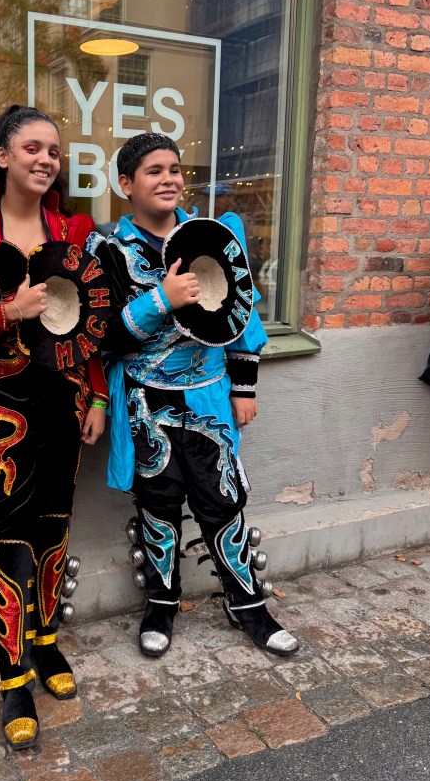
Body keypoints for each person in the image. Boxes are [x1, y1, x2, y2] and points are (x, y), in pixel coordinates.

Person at [92, 132, 298, 660]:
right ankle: (161, 604)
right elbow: (101, 336)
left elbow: (241, 315)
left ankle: (247, 604)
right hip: (144, 401)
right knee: (157, 503)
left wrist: (244, 385)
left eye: (175, 169)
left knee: (222, 499)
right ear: (125, 184)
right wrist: (161, 299)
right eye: (154, 171)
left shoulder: (211, 237)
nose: (169, 179)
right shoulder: (107, 250)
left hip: (208, 396)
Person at [0, 104, 108, 750]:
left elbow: (91, 323)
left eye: (54, 152)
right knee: (8, 525)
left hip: (65, 396)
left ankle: (45, 640)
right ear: (3, 155)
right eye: (32, 148)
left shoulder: (74, 228)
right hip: (0, 399)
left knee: (54, 521)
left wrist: (98, 396)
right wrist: (7, 312)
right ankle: (13, 673)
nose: (45, 159)